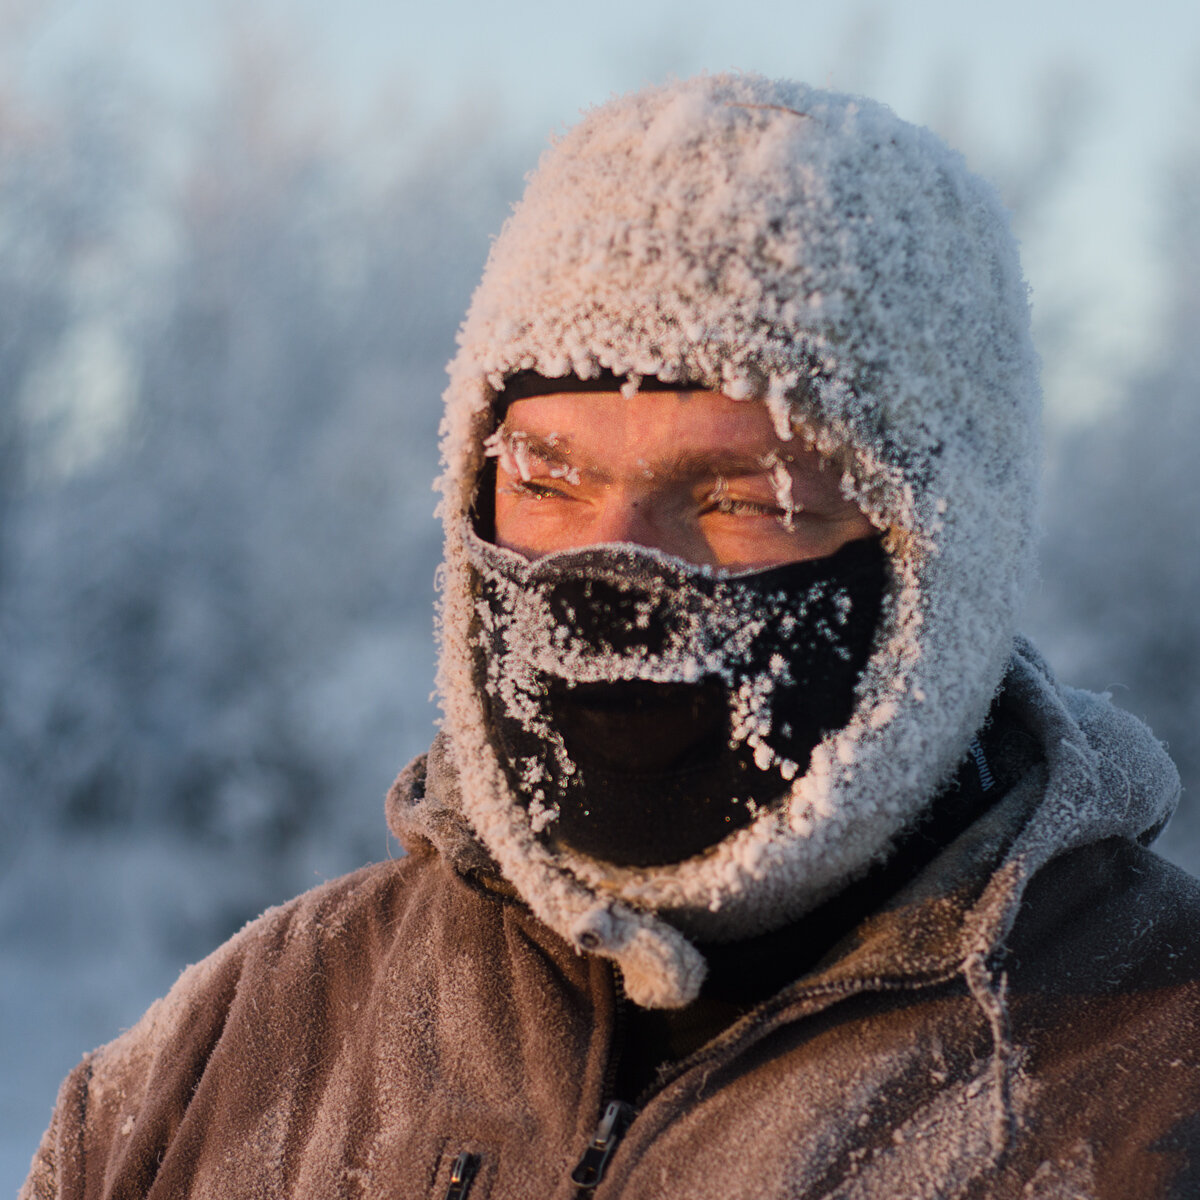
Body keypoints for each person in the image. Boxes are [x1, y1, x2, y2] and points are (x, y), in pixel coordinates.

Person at [22, 74, 1200, 1200]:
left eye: (745, 498)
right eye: (549, 479)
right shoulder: (250, 1043)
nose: (610, 574)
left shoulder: (1150, 1079)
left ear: (942, 551)